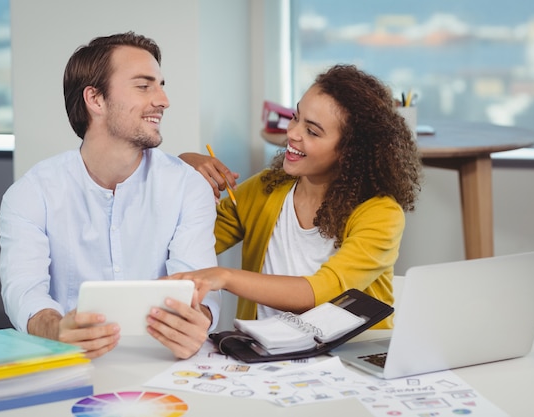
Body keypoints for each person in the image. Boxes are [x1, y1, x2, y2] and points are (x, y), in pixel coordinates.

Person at [0, 32, 220, 359]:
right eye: (144, 86)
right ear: (96, 100)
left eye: (161, 85)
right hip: (70, 366)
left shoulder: (188, 187)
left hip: (164, 365)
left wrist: (198, 322)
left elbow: (198, 289)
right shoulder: (31, 194)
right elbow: (24, 292)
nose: (163, 100)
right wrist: (56, 328)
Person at [175, 64, 422, 328]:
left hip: (348, 360)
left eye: (312, 131)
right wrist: (179, 171)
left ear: (349, 152)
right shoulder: (265, 189)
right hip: (264, 356)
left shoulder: (380, 214)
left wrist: (225, 276)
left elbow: (322, 291)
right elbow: (184, 242)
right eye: (295, 117)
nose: (292, 133)